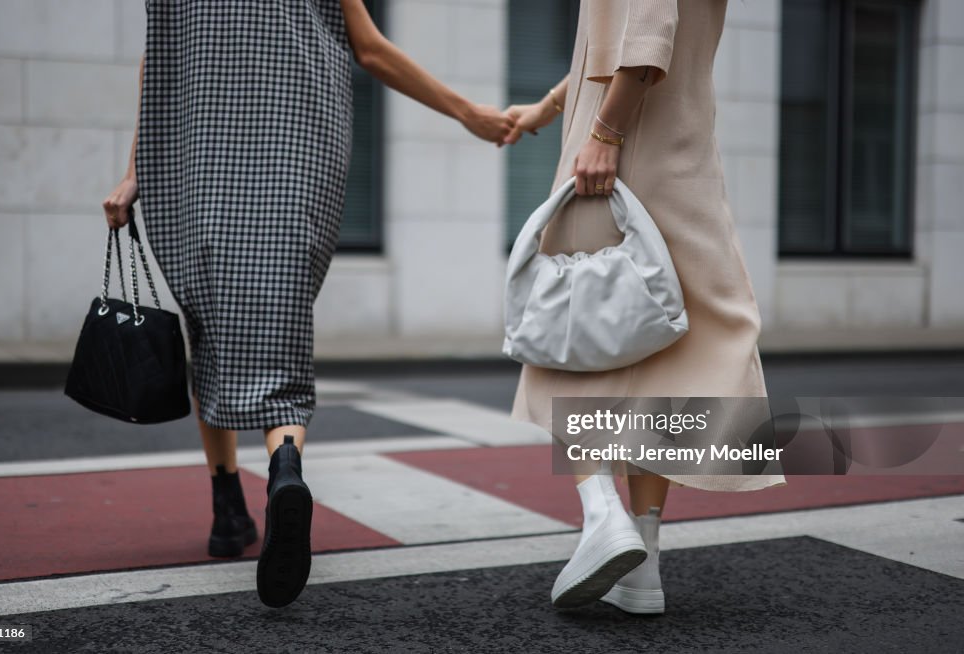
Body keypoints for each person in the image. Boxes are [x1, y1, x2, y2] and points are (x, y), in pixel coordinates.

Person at [102, 0, 514, 608]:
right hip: (302, 152)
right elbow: (370, 47)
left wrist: (137, 167)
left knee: (212, 324)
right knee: (277, 319)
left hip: (199, 154)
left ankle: (227, 512)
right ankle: (284, 465)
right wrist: (467, 112)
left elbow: (158, 65)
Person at [504, 0, 784, 612]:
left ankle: (602, 513)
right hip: (685, 155)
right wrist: (547, 108)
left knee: (572, 337)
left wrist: (603, 133)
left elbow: (647, 29)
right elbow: (614, 43)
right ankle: (644, 566)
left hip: (621, 142)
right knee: (662, 363)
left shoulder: (611, 132)